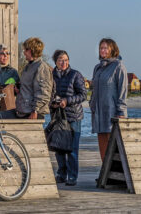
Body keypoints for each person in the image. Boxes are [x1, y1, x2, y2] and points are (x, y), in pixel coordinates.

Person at [50, 49, 87, 186]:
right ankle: (61, 174)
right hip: (58, 116)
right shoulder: (51, 75)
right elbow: (48, 93)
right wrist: (52, 103)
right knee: (59, 147)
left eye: (66, 59)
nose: (63, 62)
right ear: (56, 62)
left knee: (72, 148)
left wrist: (67, 101)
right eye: (60, 60)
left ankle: (72, 176)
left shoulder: (75, 75)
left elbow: (83, 95)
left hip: (73, 116)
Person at [90, 38, 128, 161]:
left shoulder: (118, 66)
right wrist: (92, 104)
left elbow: (123, 91)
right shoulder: (97, 68)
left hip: (112, 112)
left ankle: (116, 175)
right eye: (101, 48)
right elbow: (94, 89)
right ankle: (104, 175)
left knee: (114, 145)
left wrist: (121, 112)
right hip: (99, 113)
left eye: (105, 48)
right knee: (102, 145)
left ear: (113, 49)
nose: (102, 50)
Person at [15, 37, 53, 120]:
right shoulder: (27, 67)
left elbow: (43, 92)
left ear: (31, 50)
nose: (24, 52)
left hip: (33, 114)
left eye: (25, 50)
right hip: (23, 111)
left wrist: (35, 110)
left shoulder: (41, 67)